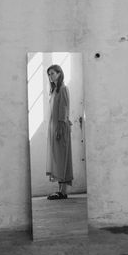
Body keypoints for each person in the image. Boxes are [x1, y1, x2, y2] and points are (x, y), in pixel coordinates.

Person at [46, 64, 73, 200]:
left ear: (59, 73)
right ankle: (60, 190)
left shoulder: (63, 88)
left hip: (60, 127)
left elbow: (64, 110)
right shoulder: (54, 89)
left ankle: (63, 192)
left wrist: (59, 128)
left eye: (52, 73)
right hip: (54, 127)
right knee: (57, 158)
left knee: (62, 158)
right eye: (49, 74)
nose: (50, 76)